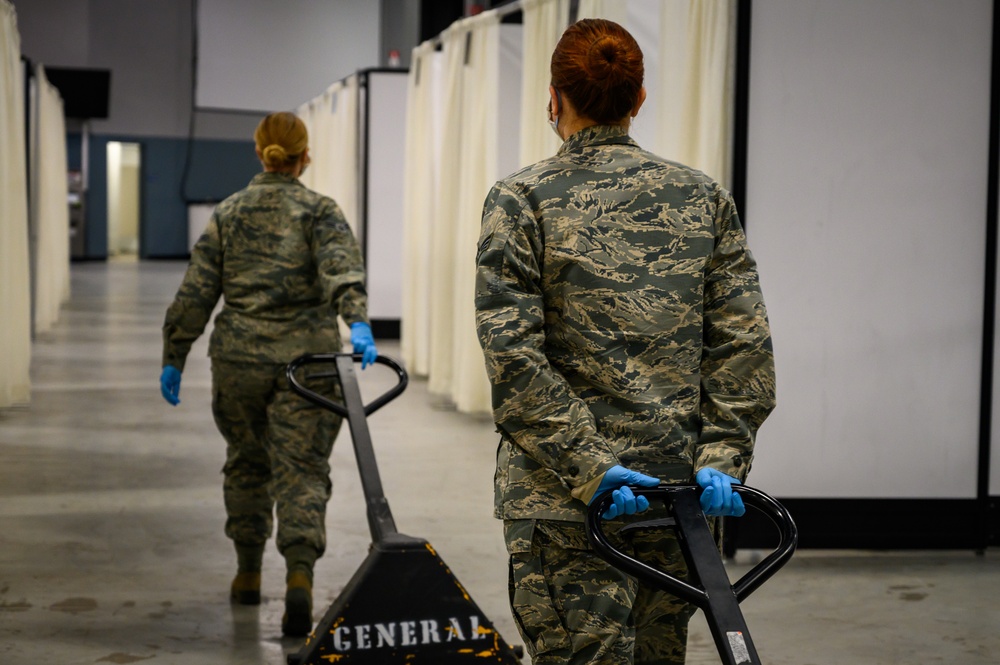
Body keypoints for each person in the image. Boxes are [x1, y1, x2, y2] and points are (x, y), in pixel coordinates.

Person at [474, 19, 775, 665]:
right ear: (639, 100)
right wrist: (723, 452)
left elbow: (513, 355)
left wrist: (593, 468)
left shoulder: (521, 199)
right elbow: (742, 345)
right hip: (678, 499)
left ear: (554, 99)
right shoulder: (702, 198)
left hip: (565, 505)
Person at [159, 111, 378, 637]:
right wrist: (359, 324)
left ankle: (248, 574)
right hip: (308, 364)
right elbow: (341, 271)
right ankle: (299, 578)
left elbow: (197, 290)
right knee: (301, 470)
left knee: (246, 463)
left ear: (260, 154)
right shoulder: (319, 211)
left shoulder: (228, 213)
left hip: (238, 362)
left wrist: (175, 352)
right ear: (305, 157)